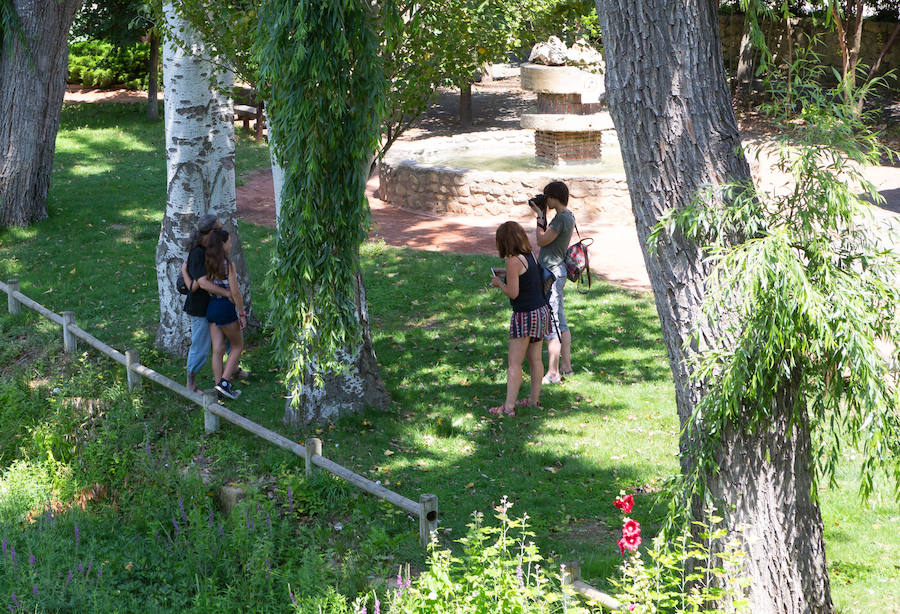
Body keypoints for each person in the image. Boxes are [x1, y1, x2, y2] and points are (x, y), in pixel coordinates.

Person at [488, 221, 551, 416]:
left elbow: (513, 293)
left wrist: (500, 283)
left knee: (514, 363)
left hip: (525, 315)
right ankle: (533, 400)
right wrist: (507, 275)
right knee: (535, 359)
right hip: (541, 311)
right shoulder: (530, 255)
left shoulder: (513, 261)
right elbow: (526, 277)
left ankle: (508, 408)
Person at [532, 181, 575, 384]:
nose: (545, 200)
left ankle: (553, 372)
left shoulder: (561, 219)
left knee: (553, 323)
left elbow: (541, 240)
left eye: (547, 197)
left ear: (554, 197)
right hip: (555, 271)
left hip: (553, 273)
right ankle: (566, 367)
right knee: (560, 321)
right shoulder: (566, 216)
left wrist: (540, 217)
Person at [181, 214, 230, 393]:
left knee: (229, 340)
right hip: (200, 308)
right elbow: (201, 283)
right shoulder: (197, 253)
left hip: (214, 305)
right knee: (201, 346)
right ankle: (190, 384)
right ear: (211, 232)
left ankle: (232, 371)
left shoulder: (209, 247)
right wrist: (228, 293)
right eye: (219, 230)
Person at [198, 229, 247, 400]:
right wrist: (242, 314)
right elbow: (235, 293)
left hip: (212, 306)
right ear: (222, 244)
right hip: (226, 308)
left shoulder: (207, 262)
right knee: (237, 346)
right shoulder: (228, 265)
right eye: (228, 241)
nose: (231, 244)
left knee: (217, 350)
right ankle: (224, 383)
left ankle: (219, 388)